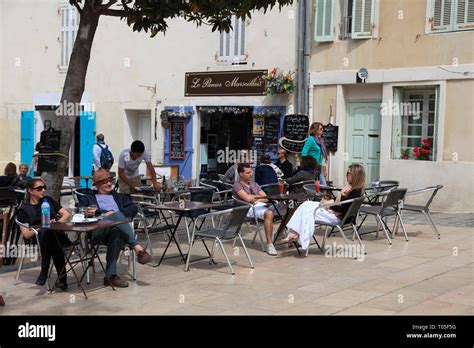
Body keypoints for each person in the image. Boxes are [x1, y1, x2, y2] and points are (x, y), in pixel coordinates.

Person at [77, 168, 152, 288]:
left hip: (116, 230)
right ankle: (137, 248)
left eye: (110, 181)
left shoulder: (121, 197)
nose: (109, 183)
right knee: (115, 214)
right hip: (98, 230)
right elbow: (80, 213)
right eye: (105, 182)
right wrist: (103, 213)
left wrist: (112, 214)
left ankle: (110, 276)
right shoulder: (88, 198)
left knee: (116, 232)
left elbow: (133, 209)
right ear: (97, 185)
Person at [284, 164, 366, 250]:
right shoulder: (352, 188)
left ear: (355, 175)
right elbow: (343, 205)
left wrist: (328, 206)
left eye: (348, 173)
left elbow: (344, 209)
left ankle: (296, 235)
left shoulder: (354, 191)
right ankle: (294, 234)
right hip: (338, 214)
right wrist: (329, 203)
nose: (346, 175)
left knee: (307, 211)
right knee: (305, 205)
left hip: (337, 217)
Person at [17, 179, 71, 289]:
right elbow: (26, 234)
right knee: (48, 234)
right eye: (40, 188)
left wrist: (57, 222)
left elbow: (66, 214)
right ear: (30, 191)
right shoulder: (24, 209)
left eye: (44, 187)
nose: (43, 190)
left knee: (51, 234)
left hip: (55, 235)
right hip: (36, 239)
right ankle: (62, 280)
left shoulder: (48, 200)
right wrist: (42, 227)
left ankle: (44, 271)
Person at [232, 163, 279, 256]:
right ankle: (270, 245)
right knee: (269, 213)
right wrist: (258, 197)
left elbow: (266, 198)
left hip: (260, 205)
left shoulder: (254, 184)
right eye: (248, 172)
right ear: (241, 174)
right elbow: (248, 199)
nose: (251, 174)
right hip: (247, 208)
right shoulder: (237, 185)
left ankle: (280, 233)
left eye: (251, 172)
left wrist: (255, 198)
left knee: (290, 208)